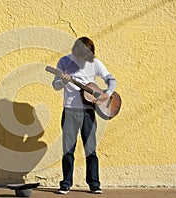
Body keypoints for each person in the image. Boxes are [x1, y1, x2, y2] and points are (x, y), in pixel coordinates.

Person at [52, 37, 117, 194]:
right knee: (68, 150)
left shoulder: (94, 63)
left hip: (88, 111)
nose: (84, 60)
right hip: (69, 111)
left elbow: (111, 79)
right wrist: (64, 81)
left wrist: (106, 94)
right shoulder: (64, 62)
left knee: (90, 149)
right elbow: (55, 85)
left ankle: (94, 183)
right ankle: (66, 183)